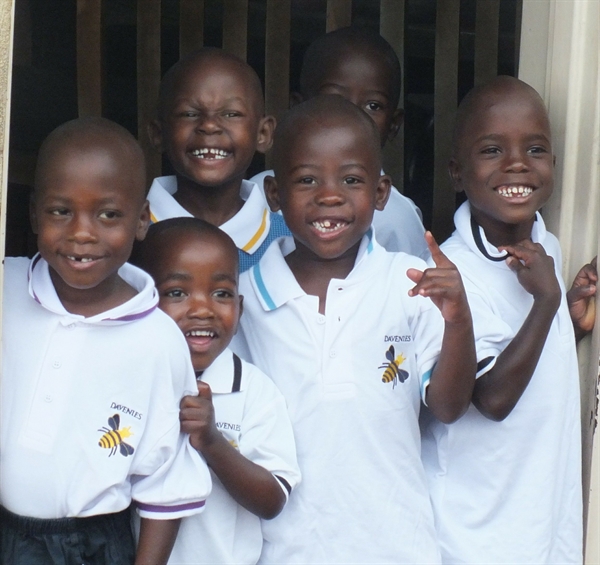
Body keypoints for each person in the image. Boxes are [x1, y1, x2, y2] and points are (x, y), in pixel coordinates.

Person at [232, 95, 503, 564]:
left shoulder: (407, 284)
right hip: (284, 550)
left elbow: (449, 405)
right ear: (274, 195)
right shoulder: (245, 299)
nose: (329, 195)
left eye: (351, 180)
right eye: (307, 180)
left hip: (397, 546)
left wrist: (458, 320)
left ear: (380, 193)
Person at [0, 117, 211, 565]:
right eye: (61, 211)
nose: (82, 232)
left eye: (108, 214)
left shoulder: (157, 341)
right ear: (34, 212)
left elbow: (165, 481)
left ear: (141, 221)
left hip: (91, 546)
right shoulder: (7, 289)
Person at [420, 76, 584, 564]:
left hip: (544, 522)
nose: (517, 164)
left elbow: (530, 356)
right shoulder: (450, 273)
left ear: (553, 164)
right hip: (476, 535)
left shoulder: (543, 245)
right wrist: (548, 303)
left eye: (535, 149)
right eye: (492, 150)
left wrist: (566, 318)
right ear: (456, 171)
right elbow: (489, 398)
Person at [133, 218, 301, 564]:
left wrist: (211, 442)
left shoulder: (254, 391)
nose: (203, 309)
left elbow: (272, 500)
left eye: (221, 294)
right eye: (177, 293)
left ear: (239, 306)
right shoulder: (128, 379)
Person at [251, 26, 428, 258]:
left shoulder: (398, 218)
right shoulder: (256, 197)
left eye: (373, 106)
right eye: (333, 98)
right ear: (297, 105)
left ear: (394, 125)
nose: (351, 114)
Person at [145, 47, 289, 272]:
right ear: (158, 134)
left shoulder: (289, 242)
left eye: (231, 114)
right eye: (190, 114)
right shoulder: (129, 234)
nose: (209, 125)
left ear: (263, 134)